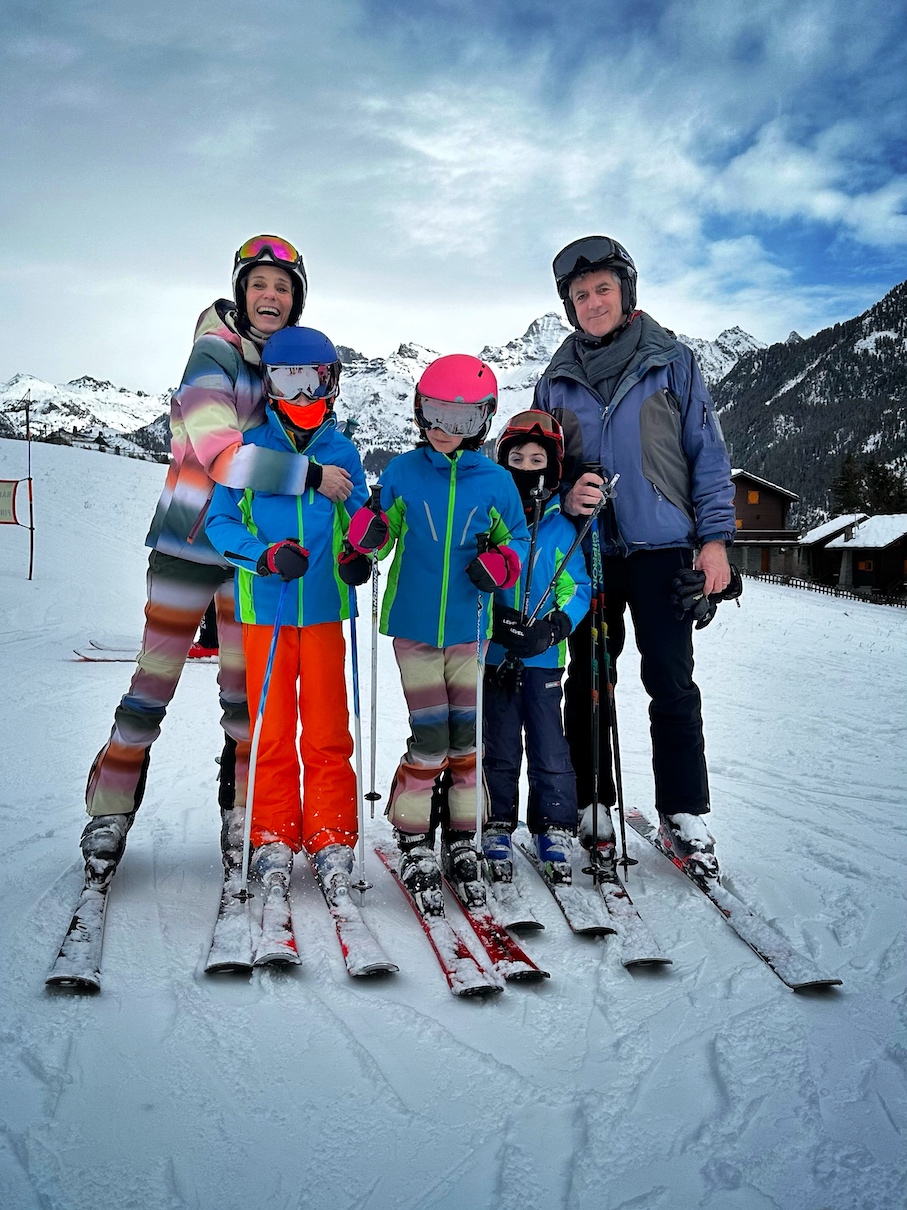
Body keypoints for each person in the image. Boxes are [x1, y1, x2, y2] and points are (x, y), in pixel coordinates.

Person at [79, 235, 354, 889]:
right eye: (259, 284)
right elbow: (218, 455)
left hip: (252, 559)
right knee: (153, 684)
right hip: (186, 541)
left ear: (297, 301)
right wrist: (311, 475)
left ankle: (243, 811)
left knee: (244, 698)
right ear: (241, 291)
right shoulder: (214, 353)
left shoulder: (284, 363)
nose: (270, 296)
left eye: (283, 288)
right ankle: (109, 812)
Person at [534, 235, 735, 878]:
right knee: (590, 679)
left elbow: (707, 455)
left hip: (663, 549)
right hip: (589, 550)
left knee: (671, 682)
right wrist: (567, 496)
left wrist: (714, 541)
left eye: (602, 289)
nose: (592, 302)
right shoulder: (555, 379)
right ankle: (591, 802)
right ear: (569, 306)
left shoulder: (672, 362)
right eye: (580, 294)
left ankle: (685, 814)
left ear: (625, 292)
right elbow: (537, 466)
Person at [346, 355, 529, 912]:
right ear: (418, 410)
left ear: (483, 423)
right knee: (432, 738)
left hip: (471, 628)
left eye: (463, 418)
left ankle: (459, 838)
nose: (444, 428)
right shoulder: (403, 471)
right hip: (416, 627)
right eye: (434, 413)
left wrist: (500, 566)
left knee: (466, 744)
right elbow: (380, 529)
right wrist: (364, 543)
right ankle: (413, 836)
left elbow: (517, 539)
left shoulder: (496, 483)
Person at [205, 326, 367, 899]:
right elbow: (220, 525)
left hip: (324, 611)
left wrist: (359, 554)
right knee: (271, 731)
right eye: (286, 379)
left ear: (331, 382)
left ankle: (330, 835)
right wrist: (264, 555)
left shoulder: (342, 451)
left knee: (326, 729)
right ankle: (272, 831)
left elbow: (365, 524)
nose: (301, 395)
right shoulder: (249, 451)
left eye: (313, 380)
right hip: (266, 611)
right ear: (269, 385)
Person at [481, 411, 591, 885]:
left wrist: (555, 626)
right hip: (495, 657)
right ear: (502, 463)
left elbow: (576, 586)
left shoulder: (561, 529)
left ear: (553, 468)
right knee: (500, 744)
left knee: (549, 744)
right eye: (517, 458)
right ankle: (497, 822)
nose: (527, 467)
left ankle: (554, 825)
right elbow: (478, 582)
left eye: (537, 459)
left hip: (544, 658)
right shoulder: (492, 521)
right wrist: (494, 624)